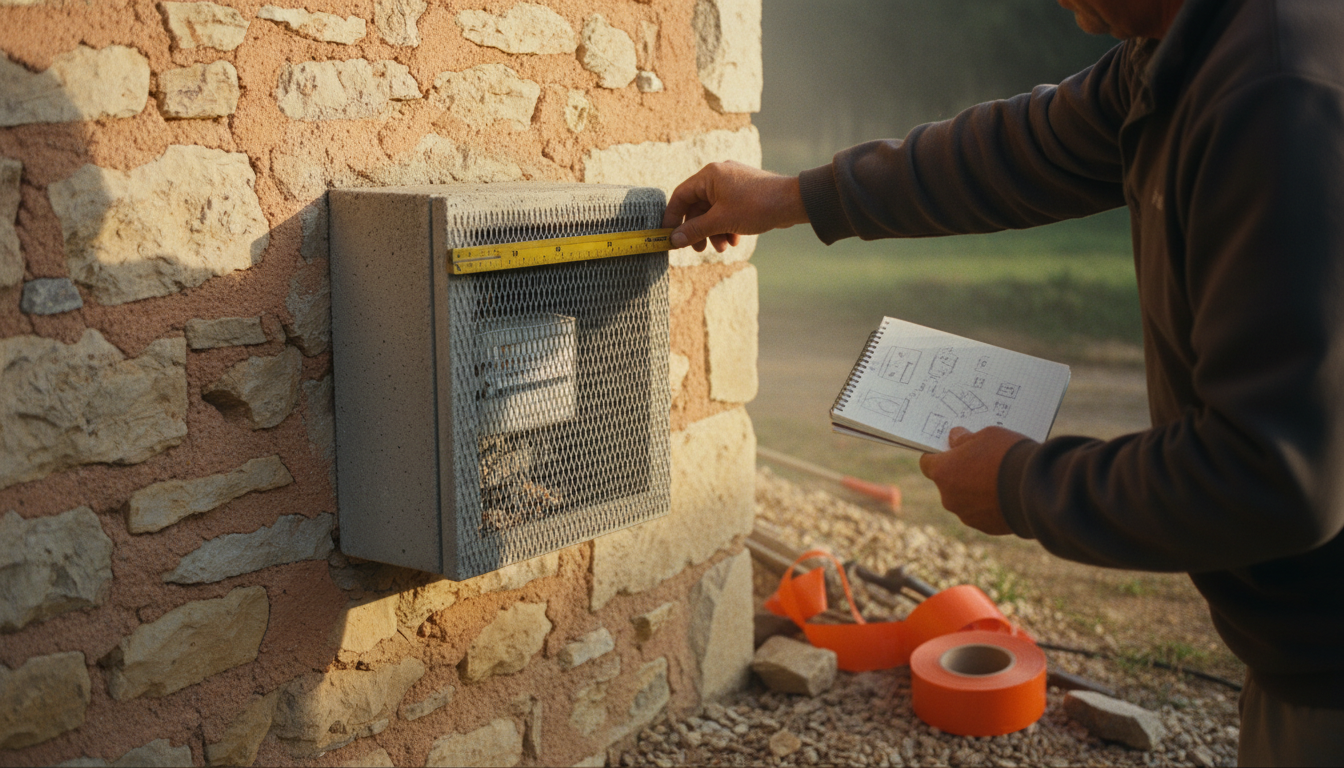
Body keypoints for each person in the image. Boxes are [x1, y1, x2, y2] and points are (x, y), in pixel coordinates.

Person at [662, 0, 1344, 764]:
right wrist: (793, 196)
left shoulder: (1275, 94)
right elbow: (1016, 151)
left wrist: (1023, 483)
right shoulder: (1186, 50)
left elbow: (1273, 478)